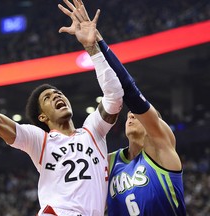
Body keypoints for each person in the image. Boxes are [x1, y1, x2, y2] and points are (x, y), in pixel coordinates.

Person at [0, 6, 124, 216]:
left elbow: (114, 96)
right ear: (42, 116)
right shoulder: (40, 140)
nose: (57, 96)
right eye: (48, 97)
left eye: (58, 93)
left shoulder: (93, 130)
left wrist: (92, 49)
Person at [58, 0, 186, 215]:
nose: (131, 115)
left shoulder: (162, 145)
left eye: (138, 115)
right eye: (130, 114)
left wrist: (95, 44)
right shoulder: (109, 162)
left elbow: (130, 92)